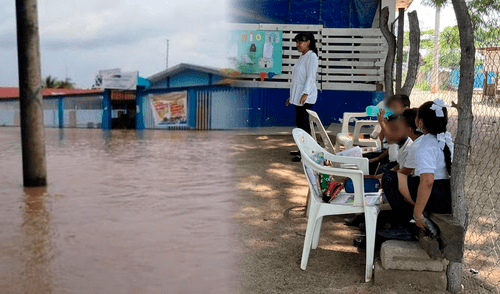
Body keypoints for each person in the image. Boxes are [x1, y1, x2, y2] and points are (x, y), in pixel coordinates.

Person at [380, 99, 453, 239]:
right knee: (398, 177)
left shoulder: (426, 145)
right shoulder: (446, 138)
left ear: (420, 123)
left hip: (435, 194)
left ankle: (406, 226)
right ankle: (404, 220)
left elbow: (427, 181)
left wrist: (418, 213)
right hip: (445, 192)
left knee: (389, 178)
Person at [286, 32, 319, 162]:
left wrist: (305, 93)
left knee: (303, 125)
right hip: (299, 97)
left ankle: (306, 153)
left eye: (300, 42)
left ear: (308, 43)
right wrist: (291, 97)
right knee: (300, 124)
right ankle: (302, 149)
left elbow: (311, 77)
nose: (297, 45)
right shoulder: (303, 57)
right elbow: (297, 80)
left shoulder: (312, 57)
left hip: (306, 97)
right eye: (297, 42)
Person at [364, 94, 410, 174]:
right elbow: (382, 138)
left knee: (376, 171)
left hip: (397, 161)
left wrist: (382, 123)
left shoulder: (406, 123)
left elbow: (391, 140)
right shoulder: (392, 119)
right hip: (388, 154)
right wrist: (383, 123)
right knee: (365, 160)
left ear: (406, 109)